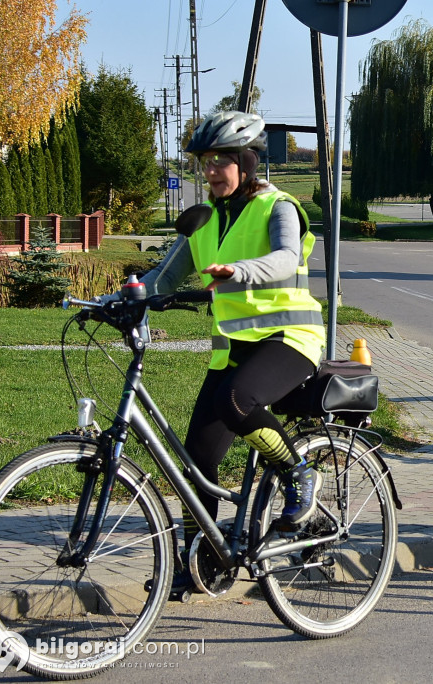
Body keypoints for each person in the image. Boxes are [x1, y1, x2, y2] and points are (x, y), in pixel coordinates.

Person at [130, 111, 326, 592]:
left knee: (236, 401)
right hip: (235, 350)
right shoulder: (202, 221)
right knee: (196, 458)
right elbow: (163, 277)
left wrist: (240, 271)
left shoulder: (277, 207)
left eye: (221, 160)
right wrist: (122, 299)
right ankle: (202, 559)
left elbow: (283, 259)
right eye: (205, 162)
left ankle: (298, 474)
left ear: (246, 160)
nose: (211, 171)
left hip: (291, 340)